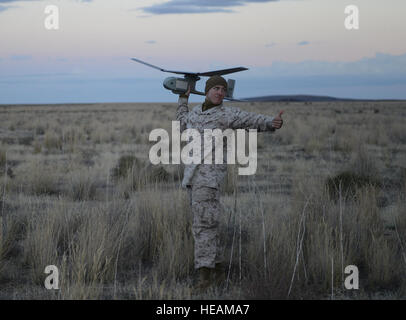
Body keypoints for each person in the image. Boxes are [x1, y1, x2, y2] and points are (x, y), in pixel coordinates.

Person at [176, 75, 283, 292]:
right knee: (208, 225)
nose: (220, 93)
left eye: (223, 90)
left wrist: (270, 123)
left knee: (203, 227)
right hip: (193, 179)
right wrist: (182, 101)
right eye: (215, 88)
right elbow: (182, 126)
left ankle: (204, 276)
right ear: (206, 91)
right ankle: (216, 272)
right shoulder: (196, 112)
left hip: (210, 179)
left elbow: (248, 119)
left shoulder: (226, 114)